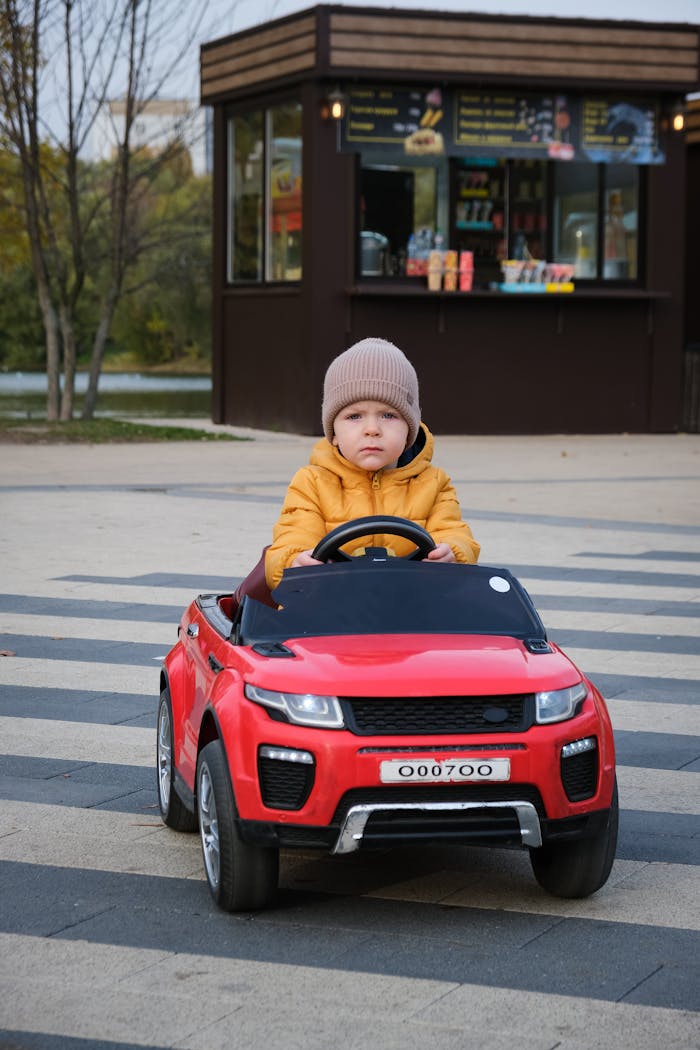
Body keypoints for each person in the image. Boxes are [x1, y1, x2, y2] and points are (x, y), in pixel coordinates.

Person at [263, 336, 480, 592]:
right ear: (333, 432)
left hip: (414, 602)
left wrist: (453, 552)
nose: (372, 429)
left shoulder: (433, 483)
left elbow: (454, 532)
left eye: (389, 415)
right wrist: (294, 561)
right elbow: (292, 538)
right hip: (330, 603)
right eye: (354, 416)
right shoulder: (311, 483)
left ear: (409, 429)